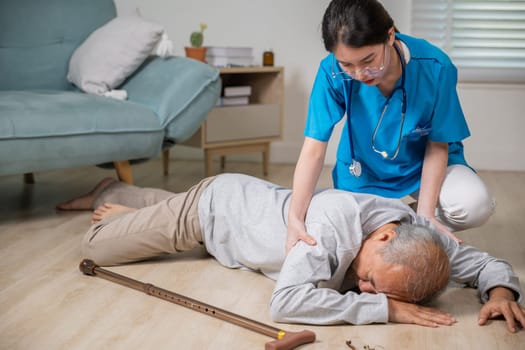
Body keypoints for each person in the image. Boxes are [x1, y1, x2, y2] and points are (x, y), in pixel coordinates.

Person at [58, 173, 524, 332]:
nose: (361, 287)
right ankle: (118, 194)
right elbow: (286, 301)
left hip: (244, 220)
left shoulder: (422, 235)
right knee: (97, 244)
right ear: (382, 239)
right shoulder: (333, 223)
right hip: (211, 212)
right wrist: (382, 308)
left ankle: (137, 198)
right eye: (372, 281)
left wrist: (501, 291)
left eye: (372, 289)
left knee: (165, 218)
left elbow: (483, 263)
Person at [287, 0, 496, 251]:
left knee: (475, 205)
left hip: (424, 168)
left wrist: (426, 215)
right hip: (364, 170)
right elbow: (314, 148)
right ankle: (393, 224)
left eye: (368, 60)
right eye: (347, 64)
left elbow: (437, 144)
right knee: (340, 234)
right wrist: (295, 219)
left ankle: (396, 223)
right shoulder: (330, 72)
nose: (360, 74)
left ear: (390, 35)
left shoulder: (435, 67)